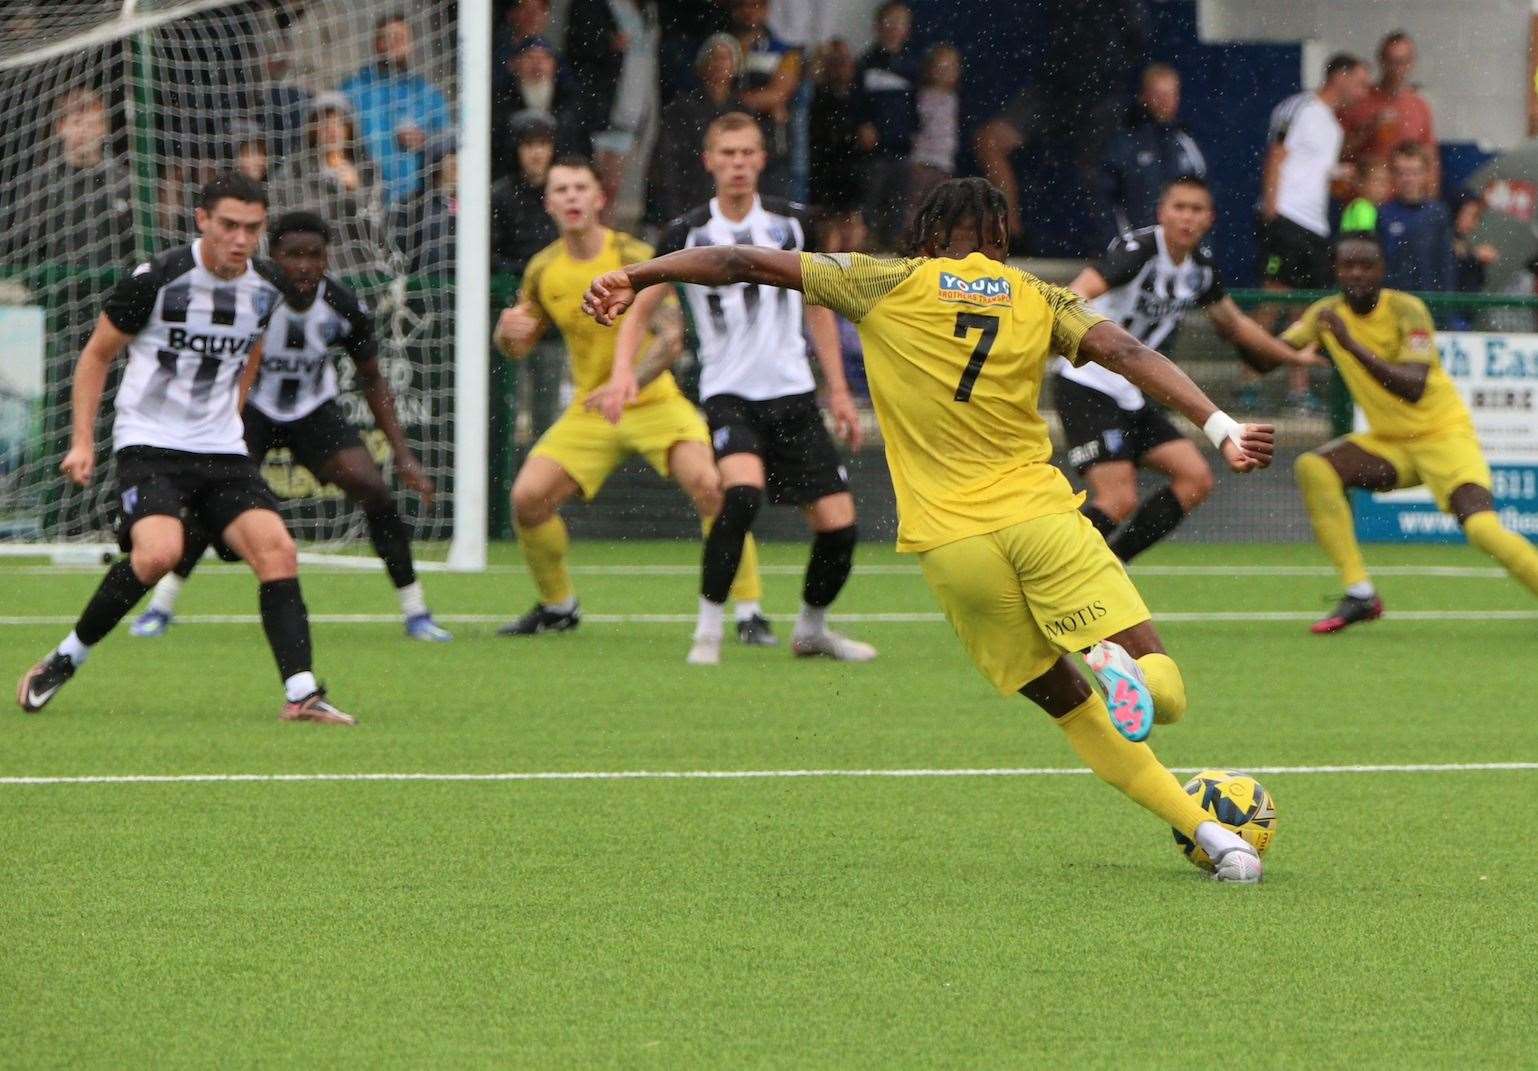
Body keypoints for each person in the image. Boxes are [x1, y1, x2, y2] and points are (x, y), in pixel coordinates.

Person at [582, 176, 1277, 883]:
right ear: (1000, 238)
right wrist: (1220, 426)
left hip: (953, 544)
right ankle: (1129, 676)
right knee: (1170, 696)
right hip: (1041, 517)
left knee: (1071, 711)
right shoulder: (1038, 295)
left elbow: (741, 262)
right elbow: (1127, 352)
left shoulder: (886, 280)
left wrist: (640, 273)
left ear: (927, 234)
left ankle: (1216, 839)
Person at [16, 173, 354, 725]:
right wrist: (82, 442)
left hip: (221, 450)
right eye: (228, 226)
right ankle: (65, 657)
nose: (240, 240)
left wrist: (232, 418)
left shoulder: (268, 286)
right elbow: (96, 356)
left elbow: (251, 352)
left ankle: (302, 693)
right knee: (157, 555)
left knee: (278, 552)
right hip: (149, 442)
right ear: (202, 220)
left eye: (252, 228)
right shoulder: (156, 279)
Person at [592, 112, 873, 664]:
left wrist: (837, 389)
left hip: (792, 393)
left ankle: (812, 629)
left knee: (839, 528)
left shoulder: (794, 225)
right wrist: (623, 369)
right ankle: (708, 630)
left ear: (762, 159)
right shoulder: (687, 232)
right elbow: (642, 299)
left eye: (748, 153)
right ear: (709, 161)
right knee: (739, 496)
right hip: (730, 393)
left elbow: (817, 307)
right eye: (728, 153)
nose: (738, 163)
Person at [129, 210, 449, 643]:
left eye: (314, 256)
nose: (303, 266)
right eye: (291, 255)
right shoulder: (253, 299)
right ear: (272, 256)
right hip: (253, 411)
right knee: (213, 499)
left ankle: (416, 611)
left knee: (374, 490)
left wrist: (404, 455)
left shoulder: (342, 306)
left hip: (313, 411)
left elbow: (372, 379)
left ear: (327, 260)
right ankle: (161, 607)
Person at [491, 156, 765, 636]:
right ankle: (558, 607)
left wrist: (629, 381)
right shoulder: (543, 268)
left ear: (600, 199)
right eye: (562, 190)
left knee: (711, 488)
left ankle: (747, 613)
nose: (572, 197)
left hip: (655, 401)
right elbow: (519, 345)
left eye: (581, 188)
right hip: (591, 409)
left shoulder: (633, 253)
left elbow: (670, 334)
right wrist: (506, 335)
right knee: (528, 499)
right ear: (548, 204)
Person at [1056, 177, 1321, 562]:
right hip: (1086, 382)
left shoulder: (1200, 268)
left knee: (1195, 478)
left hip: (1131, 390)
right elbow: (1076, 293)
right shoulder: (1138, 251)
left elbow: (1234, 325)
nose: (1186, 217)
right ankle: (1052, 569)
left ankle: (1114, 564)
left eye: (1196, 210)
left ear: (1209, 219)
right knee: (1119, 497)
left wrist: (1290, 355)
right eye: (1178, 207)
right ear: (1162, 213)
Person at [1286, 232, 1538, 633]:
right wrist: (1223, 314)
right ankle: (1361, 593)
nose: (1356, 273)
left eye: (1365, 265)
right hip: (1391, 445)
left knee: (1481, 528)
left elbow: (1412, 385)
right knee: (1314, 467)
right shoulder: (1325, 313)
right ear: (1335, 270)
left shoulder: (1407, 310)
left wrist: (1348, 342)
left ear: (1381, 271)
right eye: (1347, 265)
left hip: (1443, 436)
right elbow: (1271, 351)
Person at [1256, 53, 1371, 412]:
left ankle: (1298, 389)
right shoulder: (1299, 107)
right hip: (1287, 219)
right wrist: (1273, 211)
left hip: (1315, 228)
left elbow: (1314, 170)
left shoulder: (1334, 128)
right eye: (1361, 81)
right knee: (1273, 301)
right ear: (1340, 75)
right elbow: (1277, 155)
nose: (1364, 90)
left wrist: (1340, 176)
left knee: (1305, 312)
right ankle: (1247, 380)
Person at [491, 112, 563, 440]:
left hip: (556, 321)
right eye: (529, 144)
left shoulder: (564, 193)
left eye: (543, 144)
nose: (536, 153)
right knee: (510, 415)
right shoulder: (501, 196)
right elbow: (489, 254)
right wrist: (525, 276)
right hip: (515, 315)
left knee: (548, 417)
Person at [340, 13, 451, 205]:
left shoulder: (427, 94)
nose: (396, 43)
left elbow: (449, 141)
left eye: (402, 38)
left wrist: (426, 141)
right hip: (364, 194)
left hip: (417, 197)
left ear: (411, 45)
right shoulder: (352, 90)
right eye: (390, 37)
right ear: (378, 44)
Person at [1096, 65, 1207, 245]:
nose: (1164, 101)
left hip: (1179, 253)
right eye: (1158, 94)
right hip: (1135, 252)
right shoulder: (1123, 144)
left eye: (1170, 94)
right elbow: (1105, 202)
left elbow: (1202, 201)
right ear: (1144, 96)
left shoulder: (1186, 144)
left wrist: (1201, 246)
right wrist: (1119, 245)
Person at [646, 33, 744, 228]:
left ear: (736, 66)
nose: (720, 64)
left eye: (726, 58)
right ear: (703, 64)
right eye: (714, 57)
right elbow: (668, 161)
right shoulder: (681, 108)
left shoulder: (742, 111)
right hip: (688, 198)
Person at [853, 1, 918, 251]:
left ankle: (894, 248)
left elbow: (915, 105)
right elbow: (857, 100)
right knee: (871, 196)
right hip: (875, 148)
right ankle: (867, 247)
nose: (893, 28)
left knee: (899, 202)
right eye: (888, 22)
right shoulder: (866, 63)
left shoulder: (912, 65)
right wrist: (862, 124)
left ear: (907, 29)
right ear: (877, 27)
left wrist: (913, 132)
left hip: (902, 146)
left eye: (899, 23)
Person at [1340, 31, 1438, 195]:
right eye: (1391, 61)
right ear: (1381, 60)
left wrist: (1430, 200)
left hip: (1404, 201)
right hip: (1366, 199)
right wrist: (1369, 129)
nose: (1397, 69)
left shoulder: (1419, 106)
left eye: (1403, 61)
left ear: (1412, 62)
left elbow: (1430, 159)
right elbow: (1339, 151)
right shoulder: (1359, 100)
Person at [728, 0, 802, 198]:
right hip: (729, 140)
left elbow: (778, 94)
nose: (748, 11)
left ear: (766, 10)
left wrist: (731, 101)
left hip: (769, 141)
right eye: (743, 5)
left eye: (755, 6)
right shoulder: (722, 46)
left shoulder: (783, 51)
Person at [1379, 142, 1455, 293]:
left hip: (1430, 303)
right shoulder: (1383, 214)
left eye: (1414, 172)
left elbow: (1446, 263)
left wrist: (1446, 305)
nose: (1408, 179)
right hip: (1394, 302)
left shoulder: (1438, 213)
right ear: (1393, 175)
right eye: (1402, 172)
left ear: (1426, 174)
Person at [905, 44, 961, 234]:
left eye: (950, 68)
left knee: (939, 205)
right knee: (915, 203)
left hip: (943, 163)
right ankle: (911, 238)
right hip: (922, 161)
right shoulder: (922, 97)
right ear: (930, 70)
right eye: (940, 68)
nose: (945, 73)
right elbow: (916, 128)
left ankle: (933, 239)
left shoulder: (953, 99)